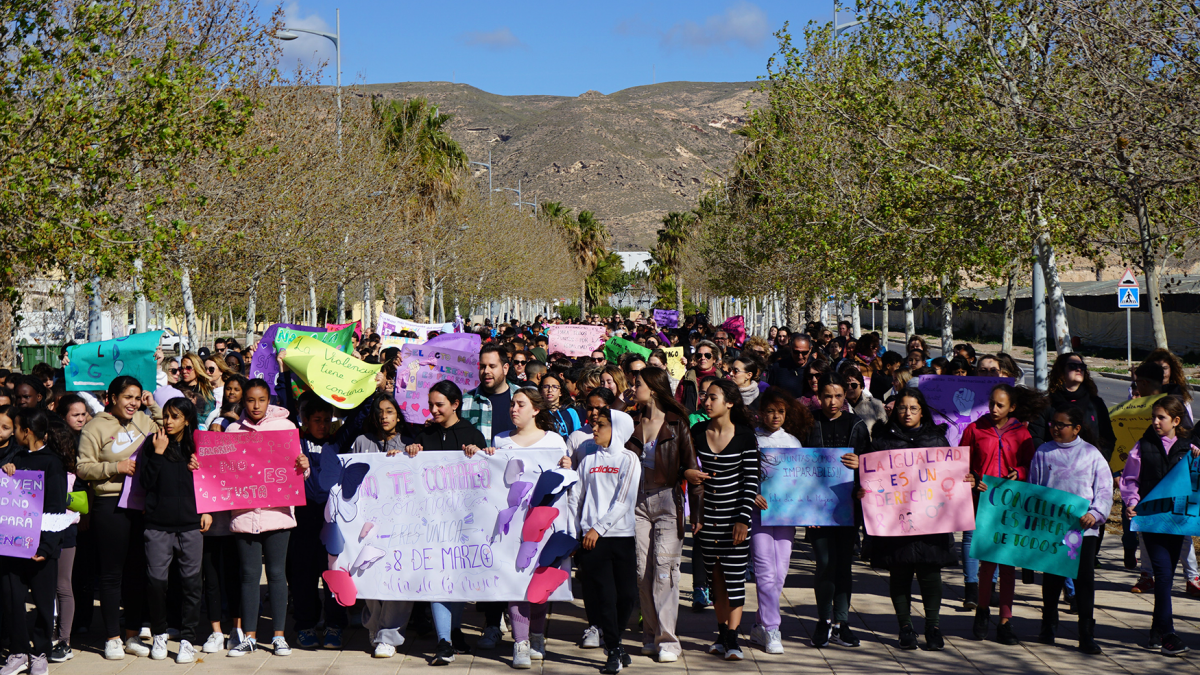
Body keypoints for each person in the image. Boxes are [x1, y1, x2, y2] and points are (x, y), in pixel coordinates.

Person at [863, 388, 967, 651]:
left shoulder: (937, 441)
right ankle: (905, 627)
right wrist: (863, 488)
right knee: (900, 574)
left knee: (931, 573)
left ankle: (933, 626)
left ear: (922, 411)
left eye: (913, 408)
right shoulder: (881, 443)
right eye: (901, 408)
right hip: (896, 522)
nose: (906, 413)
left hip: (932, 524)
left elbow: (951, 478)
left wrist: (966, 480)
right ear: (894, 411)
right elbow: (869, 480)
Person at [396, 381, 487, 664]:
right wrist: (410, 452)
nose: (433, 410)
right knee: (437, 577)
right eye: (431, 404)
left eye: (440, 405)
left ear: (456, 405)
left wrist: (480, 454)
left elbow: (485, 476)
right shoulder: (425, 434)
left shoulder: (473, 434)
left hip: (462, 521)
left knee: (457, 577)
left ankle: (455, 631)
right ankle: (443, 640)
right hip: (432, 523)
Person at [219, 378, 309, 657]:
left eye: (261, 400)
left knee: (277, 574)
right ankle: (249, 637)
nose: (256, 406)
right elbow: (221, 473)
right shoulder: (232, 430)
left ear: (269, 400)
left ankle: (279, 636)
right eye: (250, 400)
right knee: (248, 576)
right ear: (242, 401)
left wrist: (304, 466)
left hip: (277, 515)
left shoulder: (286, 427)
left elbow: (298, 473)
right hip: (244, 515)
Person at [76, 376, 161, 660]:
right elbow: (83, 467)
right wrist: (116, 467)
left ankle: (132, 634)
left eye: (137, 397)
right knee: (112, 573)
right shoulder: (94, 426)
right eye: (128, 397)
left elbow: (168, 432)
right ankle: (112, 637)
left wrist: (154, 407)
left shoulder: (143, 420)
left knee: (137, 571)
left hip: (141, 502)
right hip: (109, 503)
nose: (133, 403)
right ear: (112, 398)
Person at [484, 387, 570, 668]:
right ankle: (520, 643)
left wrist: (568, 465)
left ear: (535, 410)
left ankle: (536, 635)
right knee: (515, 581)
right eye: (512, 404)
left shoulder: (555, 441)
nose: (513, 409)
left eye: (520, 404)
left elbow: (564, 481)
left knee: (539, 581)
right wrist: (487, 457)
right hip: (510, 528)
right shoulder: (500, 441)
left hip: (543, 526)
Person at [625, 367, 698, 662]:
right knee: (643, 571)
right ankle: (650, 634)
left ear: (653, 388)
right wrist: (622, 400)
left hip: (668, 501)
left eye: (638, 384)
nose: (634, 387)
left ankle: (668, 639)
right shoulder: (630, 421)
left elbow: (691, 467)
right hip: (637, 504)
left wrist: (698, 513)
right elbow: (605, 422)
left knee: (665, 572)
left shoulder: (678, 423)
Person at [1119, 397, 1199, 656]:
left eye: (1161, 417)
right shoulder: (1142, 447)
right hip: (1151, 520)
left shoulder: (1189, 448)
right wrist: (1132, 502)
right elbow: (1130, 478)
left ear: (1176, 421)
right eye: (1153, 416)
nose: (1155, 421)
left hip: (1177, 522)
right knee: (1164, 575)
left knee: (1166, 576)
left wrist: (1197, 458)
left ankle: (1155, 631)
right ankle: (1168, 635)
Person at [963, 384, 1042, 642]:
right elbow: (959, 464)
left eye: (1000, 405)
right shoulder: (975, 429)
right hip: (984, 505)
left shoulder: (1022, 434)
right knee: (987, 565)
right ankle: (982, 613)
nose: (994, 409)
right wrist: (974, 479)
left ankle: (1006, 620)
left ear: (1012, 408)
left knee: (1008, 566)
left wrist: (1018, 472)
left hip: (1012, 506)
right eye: (992, 403)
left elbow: (1033, 468)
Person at [1033, 405, 1113, 655]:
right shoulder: (1043, 453)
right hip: (1053, 529)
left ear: (1076, 428)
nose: (1055, 428)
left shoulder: (1091, 454)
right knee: (1052, 579)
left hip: (1083, 531)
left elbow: (1104, 489)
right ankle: (1048, 626)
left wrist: (1096, 513)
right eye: (1052, 424)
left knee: (1084, 581)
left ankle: (1086, 633)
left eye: (1061, 425)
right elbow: (1034, 488)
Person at [689, 380, 760, 661]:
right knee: (714, 576)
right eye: (705, 397)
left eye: (713, 398)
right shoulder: (697, 431)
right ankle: (721, 633)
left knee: (734, 577)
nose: (707, 402)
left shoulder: (744, 435)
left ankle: (733, 636)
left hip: (735, 519)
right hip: (707, 519)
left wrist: (743, 520)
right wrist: (687, 473)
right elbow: (685, 464)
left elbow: (750, 481)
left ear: (729, 403)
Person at [0, 408, 70, 675]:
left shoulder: (52, 463)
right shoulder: (15, 456)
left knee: (42, 601)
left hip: (41, 548)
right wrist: (7, 472)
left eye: (15, 427)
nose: (13, 432)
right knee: (12, 598)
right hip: (12, 545)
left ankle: (39, 652)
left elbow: (55, 507)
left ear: (26, 431)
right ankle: (18, 652)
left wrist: (46, 546)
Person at [140, 397, 208, 664]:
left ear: (187, 420)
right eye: (166, 416)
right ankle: (159, 633)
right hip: (158, 525)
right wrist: (157, 453)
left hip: (191, 525)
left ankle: (188, 640)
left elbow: (213, 482)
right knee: (156, 583)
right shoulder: (153, 443)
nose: (167, 422)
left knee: (192, 585)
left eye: (175, 416)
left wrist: (207, 509)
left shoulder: (197, 445)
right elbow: (145, 481)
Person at [805, 374, 869, 647]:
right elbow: (795, 464)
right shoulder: (809, 423)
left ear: (846, 398)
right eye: (827, 396)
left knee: (843, 565)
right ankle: (824, 620)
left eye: (838, 396)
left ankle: (842, 622)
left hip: (847, 508)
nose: (832, 402)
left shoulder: (856, 425)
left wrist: (860, 465)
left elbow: (872, 464)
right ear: (818, 395)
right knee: (824, 564)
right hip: (815, 509)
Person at [748, 387, 812, 654]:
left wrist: (810, 511)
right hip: (759, 514)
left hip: (786, 516)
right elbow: (745, 474)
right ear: (760, 413)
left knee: (780, 571)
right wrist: (752, 494)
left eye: (781, 412)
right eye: (770, 411)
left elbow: (802, 481)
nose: (775, 416)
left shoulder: (794, 442)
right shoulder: (751, 440)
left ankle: (760, 624)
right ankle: (773, 629)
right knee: (764, 569)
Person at [576, 408, 640, 674]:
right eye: (593, 424)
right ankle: (613, 648)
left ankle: (616, 641)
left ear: (618, 429)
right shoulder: (588, 460)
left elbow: (624, 501)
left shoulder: (629, 459)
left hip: (621, 536)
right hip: (592, 540)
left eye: (601, 425)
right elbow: (575, 498)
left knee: (627, 596)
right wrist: (578, 531)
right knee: (606, 595)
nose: (595, 429)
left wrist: (599, 528)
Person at [350, 395, 413, 659]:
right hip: (367, 524)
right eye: (380, 412)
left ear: (398, 415)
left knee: (398, 578)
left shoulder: (410, 443)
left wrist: (407, 457)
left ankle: (389, 635)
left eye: (390, 411)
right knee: (369, 574)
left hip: (402, 523)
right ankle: (374, 626)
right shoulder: (361, 442)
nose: (384, 416)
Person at [675, 340, 721, 412]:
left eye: (707, 355)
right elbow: (678, 402)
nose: (703, 358)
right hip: (691, 420)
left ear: (714, 359)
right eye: (699, 355)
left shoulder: (723, 378)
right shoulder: (686, 378)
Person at [841, 366, 886, 435]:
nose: (850, 388)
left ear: (862, 387)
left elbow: (884, 428)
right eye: (847, 385)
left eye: (854, 385)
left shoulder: (875, 404)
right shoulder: (839, 405)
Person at [765, 334, 813, 398]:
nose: (800, 356)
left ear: (810, 349)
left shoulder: (818, 368)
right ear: (790, 348)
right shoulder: (778, 367)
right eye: (796, 352)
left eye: (804, 353)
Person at [540, 372, 581, 440]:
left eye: (555, 387)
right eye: (546, 387)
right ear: (541, 391)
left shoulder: (570, 412)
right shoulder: (536, 412)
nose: (550, 390)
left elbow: (577, 436)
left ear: (561, 392)